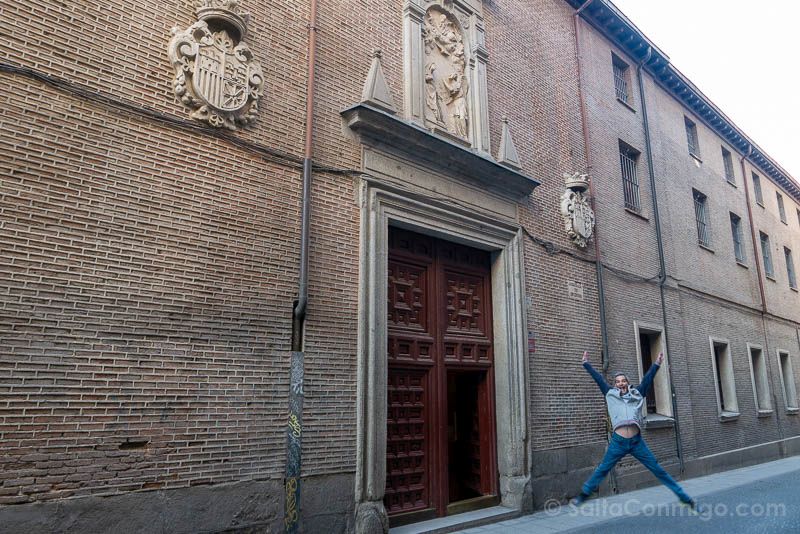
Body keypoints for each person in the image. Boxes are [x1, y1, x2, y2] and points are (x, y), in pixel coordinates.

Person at [572, 351, 695, 509]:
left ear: (627, 382)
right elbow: (598, 379)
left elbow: (648, 379)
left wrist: (657, 364)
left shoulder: (637, 394)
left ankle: (684, 497)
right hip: (618, 442)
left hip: (637, 443)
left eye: (623, 381)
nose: (621, 383)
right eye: (618, 382)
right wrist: (586, 364)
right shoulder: (610, 394)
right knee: (603, 469)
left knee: (657, 469)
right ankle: (584, 495)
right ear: (615, 384)